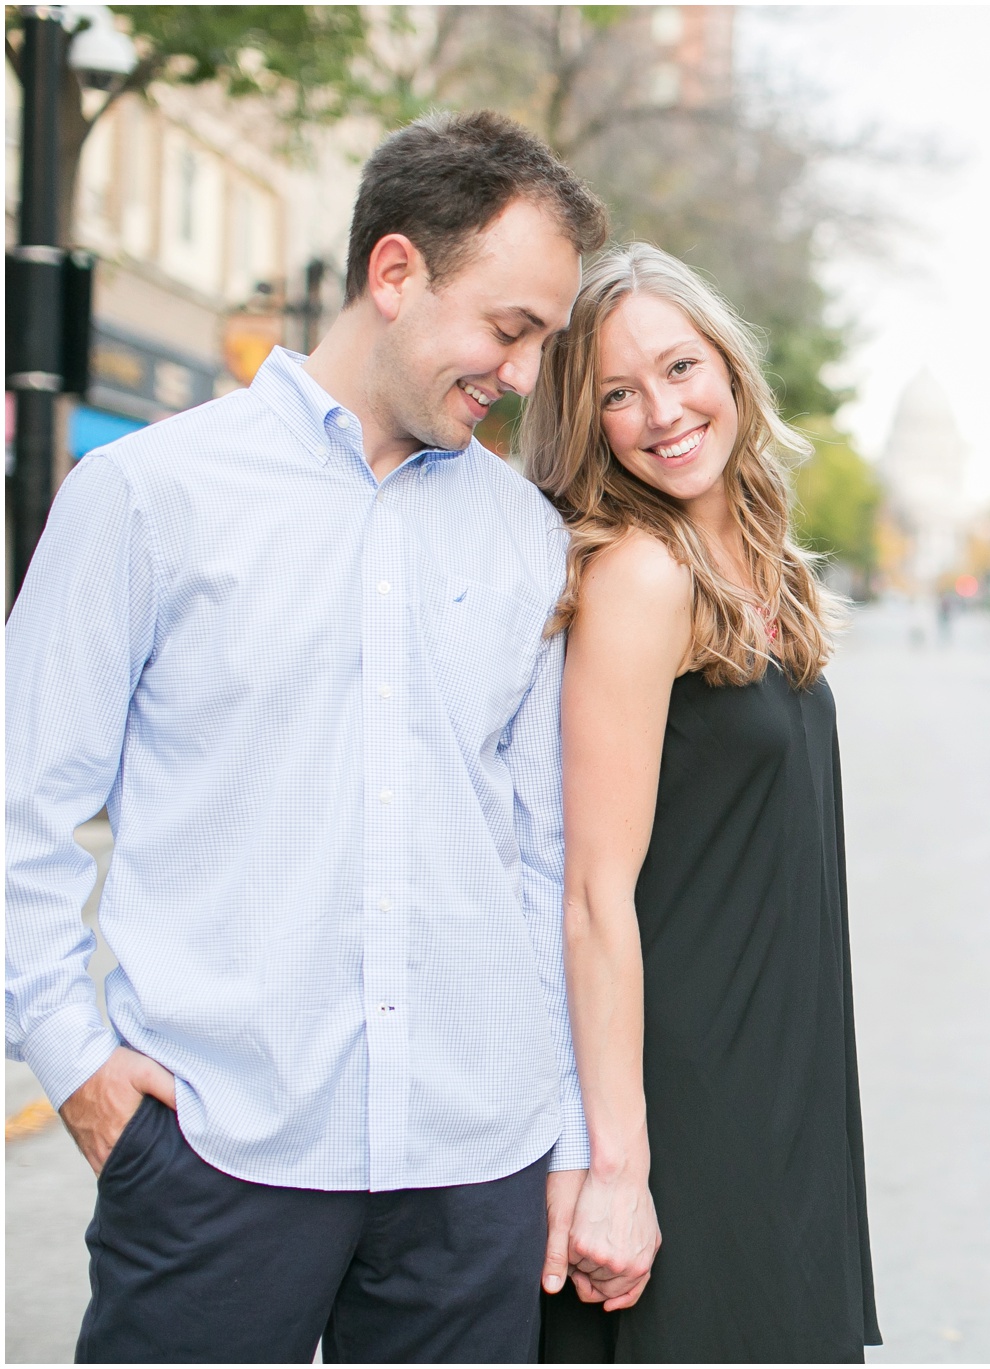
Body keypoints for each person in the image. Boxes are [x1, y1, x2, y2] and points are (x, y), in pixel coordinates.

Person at [5, 111, 609, 1361]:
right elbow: (23, 806)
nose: (525, 373)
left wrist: (566, 1134)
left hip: (470, 1173)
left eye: (545, 342)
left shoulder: (526, 540)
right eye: (510, 329)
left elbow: (545, 858)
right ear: (395, 274)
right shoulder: (146, 495)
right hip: (217, 1160)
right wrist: (75, 1064)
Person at [523, 243, 880, 1362]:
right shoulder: (641, 572)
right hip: (688, 1091)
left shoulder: (760, 561)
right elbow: (591, 896)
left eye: (680, 368)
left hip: (782, 1068)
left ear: (728, 366)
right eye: (617, 393)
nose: (661, 412)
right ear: (588, 420)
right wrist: (617, 1167)